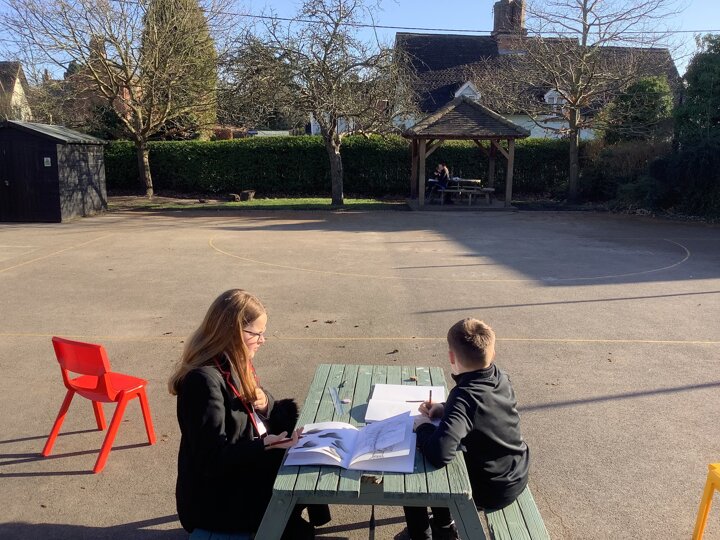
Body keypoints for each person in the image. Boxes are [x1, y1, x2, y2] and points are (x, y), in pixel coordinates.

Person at [169, 289, 330, 539]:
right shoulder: (202, 382)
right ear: (234, 332)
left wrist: (264, 403)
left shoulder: (234, 362)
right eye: (257, 334)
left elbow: (258, 411)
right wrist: (264, 446)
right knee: (296, 474)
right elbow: (211, 460)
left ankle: (302, 518)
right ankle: (292, 522)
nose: (262, 340)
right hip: (214, 500)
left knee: (306, 452)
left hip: (235, 473)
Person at [403, 318, 530, 540]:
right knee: (450, 452)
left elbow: (439, 454)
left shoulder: (463, 397)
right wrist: (443, 408)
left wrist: (423, 427)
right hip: (516, 471)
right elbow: (482, 410)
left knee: (414, 474)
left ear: (452, 357)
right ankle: (443, 526)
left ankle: (421, 535)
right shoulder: (500, 377)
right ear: (493, 353)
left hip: (491, 489)